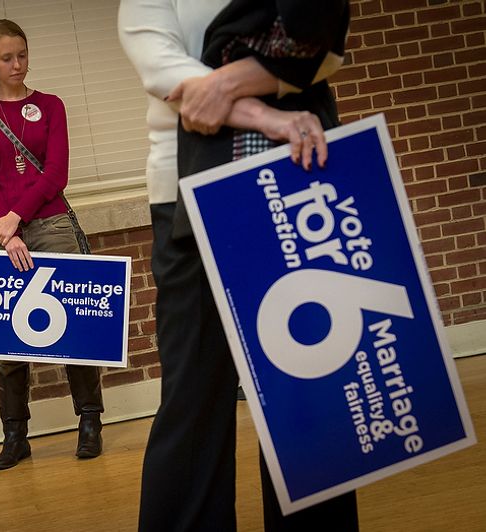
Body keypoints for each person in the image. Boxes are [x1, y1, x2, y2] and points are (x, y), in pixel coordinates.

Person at [118, 1, 359, 530]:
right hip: (186, 187)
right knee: (194, 395)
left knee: (310, 385)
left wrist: (228, 92)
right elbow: (159, 64)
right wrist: (263, 113)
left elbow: (326, 50)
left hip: (298, 174)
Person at [0, 19, 105, 470]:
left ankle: (89, 423)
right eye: (7, 58)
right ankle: (15, 436)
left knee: (75, 330)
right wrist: (6, 231)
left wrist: (15, 218)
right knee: (6, 339)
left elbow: (55, 173)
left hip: (50, 224)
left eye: (22, 54)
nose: (18, 64)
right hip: (2, 234)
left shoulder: (51, 105)